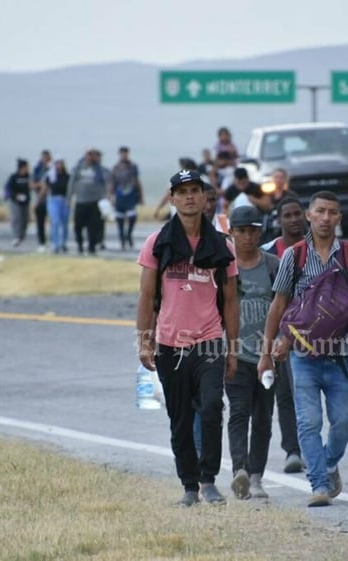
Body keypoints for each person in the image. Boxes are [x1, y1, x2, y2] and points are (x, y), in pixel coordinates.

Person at [258, 191, 348, 507]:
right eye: (319, 211)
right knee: (308, 422)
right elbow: (278, 304)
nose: (325, 218)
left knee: (344, 420)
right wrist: (267, 352)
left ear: (339, 218)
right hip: (302, 356)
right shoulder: (293, 257)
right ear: (309, 215)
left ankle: (330, 464)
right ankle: (319, 484)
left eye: (332, 212)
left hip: (341, 355)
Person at [136, 168, 239, 507]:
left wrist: (233, 348)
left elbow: (231, 299)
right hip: (169, 344)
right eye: (182, 192)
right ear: (173, 198)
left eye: (196, 190)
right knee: (179, 418)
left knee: (211, 407)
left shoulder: (222, 246)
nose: (190, 197)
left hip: (209, 340)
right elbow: (146, 294)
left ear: (206, 198)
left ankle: (209, 480)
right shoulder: (158, 243)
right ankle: (189, 487)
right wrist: (144, 340)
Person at [225, 205, 280, 500]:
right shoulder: (225, 267)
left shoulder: (273, 265)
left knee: (262, 417)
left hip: (267, 357)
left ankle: (257, 475)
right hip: (235, 355)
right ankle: (240, 472)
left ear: (260, 232)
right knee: (238, 413)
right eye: (241, 231)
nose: (247, 237)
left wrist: (282, 341)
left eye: (252, 231)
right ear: (231, 233)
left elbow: (285, 306)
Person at [260, 196, 307, 473]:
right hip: (281, 333)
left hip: (315, 333)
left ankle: (311, 444)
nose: (292, 219)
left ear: (305, 216)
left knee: (310, 391)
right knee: (286, 392)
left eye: (296, 214)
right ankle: (293, 450)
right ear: (279, 220)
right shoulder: (268, 252)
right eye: (286, 215)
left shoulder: (318, 249)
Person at [69, 149, 109, 255]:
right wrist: (68, 198)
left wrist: (105, 198)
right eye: (89, 155)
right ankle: (80, 244)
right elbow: (72, 182)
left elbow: (106, 183)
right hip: (81, 201)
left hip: (94, 202)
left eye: (93, 155)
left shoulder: (99, 169)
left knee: (93, 226)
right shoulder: (79, 168)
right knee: (78, 226)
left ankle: (92, 247)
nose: (91, 157)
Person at [111, 146, 144, 250]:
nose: (124, 155)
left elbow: (136, 181)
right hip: (119, 195)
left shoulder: (133, 166)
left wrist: (140, 195)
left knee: (132, 217)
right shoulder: (115, 168)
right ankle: (122, 241)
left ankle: (129, 234)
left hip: (130, 195)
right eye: (122, 153)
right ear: (119, 154)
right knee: (119, 219)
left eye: (125, 153)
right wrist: (111, 196)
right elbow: (112, 182)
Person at [45, 157, 70, 253]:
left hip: (64, 199)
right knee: (55, 222)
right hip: (54, 199)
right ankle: (56, 244)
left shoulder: (67, 176)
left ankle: (63, 243)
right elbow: (46, 188)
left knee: (64, 223)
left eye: (60, 163)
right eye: (57, 163)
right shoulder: (51, 176)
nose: (59, 165)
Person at [4, 158, 32, 247]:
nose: (28, 168)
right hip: (15, 201)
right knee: (17, 219)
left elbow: (32, 186)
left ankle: (21, 236)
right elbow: (8, 188)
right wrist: (16, 196)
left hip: (25, 202)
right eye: (26, 167)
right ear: (22, 167)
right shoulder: (14, 177)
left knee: (25, 219)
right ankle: (16, 237)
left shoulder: (29, 177)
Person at [32, 150, 52, 252]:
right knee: (40, 222)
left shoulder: (53, 169)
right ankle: (42, 242)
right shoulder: (37, 169)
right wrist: (40, 185)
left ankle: (54, 241)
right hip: (40, 200)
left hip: (51, 199)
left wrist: (43, 186)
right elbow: (32, 184)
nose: (46, 160)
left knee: (54, 222)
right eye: (44, 158)